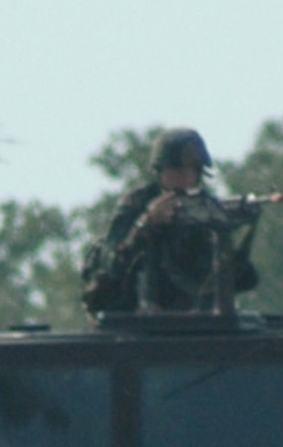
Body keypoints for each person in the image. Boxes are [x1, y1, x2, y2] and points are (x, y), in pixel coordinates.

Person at [81, 127, 262, 316]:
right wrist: (145, 226)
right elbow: (111, 266)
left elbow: (241, 279)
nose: (186, 177)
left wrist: (227, 230)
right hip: (132, 324)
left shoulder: (202, 209)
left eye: (192, 170)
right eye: (177, 170)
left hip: (191, 323)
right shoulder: (137, 203)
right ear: (161, 171)